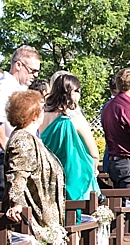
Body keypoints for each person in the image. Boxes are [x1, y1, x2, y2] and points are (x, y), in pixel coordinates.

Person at [4, 89, 67, 245]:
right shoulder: (22, 140)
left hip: (44, 210)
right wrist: (16, 202)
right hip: (33, 214)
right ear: (33, 113)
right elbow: (17, 176)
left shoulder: (32, 138)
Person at [40, 72, 101, 201]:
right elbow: (94, 153)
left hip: (49, 177)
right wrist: (93, 170)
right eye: (78, 91)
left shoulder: (41, 115)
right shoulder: (74, 118)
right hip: (73, 177)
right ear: (71, 93)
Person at [0, 47, 41, 155]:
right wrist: (7, 150)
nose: (35, 75)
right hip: (9, 157)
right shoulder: (6, 87)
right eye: (32, 70)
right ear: (18, 65)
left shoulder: (16, 87)